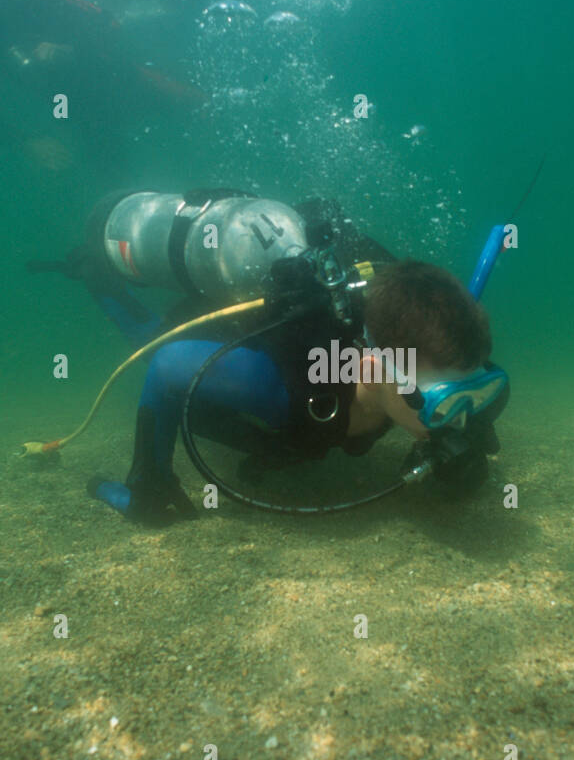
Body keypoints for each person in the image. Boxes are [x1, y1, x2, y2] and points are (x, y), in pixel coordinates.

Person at [29, 189, 509, 524]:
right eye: (445, 401)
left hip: (316, 334)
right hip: (235, 328)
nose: (460, 418)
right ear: (370, 368)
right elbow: (168, 364)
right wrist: (149, 478)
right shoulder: (288, 388)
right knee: (152, 342)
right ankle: (95, 272)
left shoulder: (416, 364)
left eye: (480, 392)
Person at [0, 0, 203, 178]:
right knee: (117, 183)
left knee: (200, 108)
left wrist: (71, 50)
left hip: (118, 77)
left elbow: (110, 25)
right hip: (80, 110)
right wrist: (27, 142)